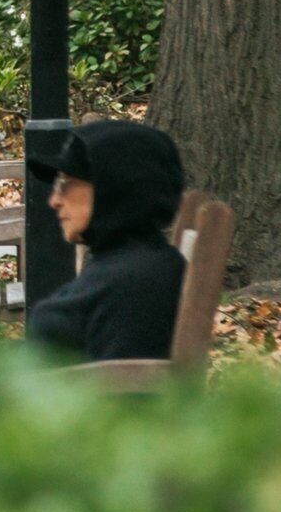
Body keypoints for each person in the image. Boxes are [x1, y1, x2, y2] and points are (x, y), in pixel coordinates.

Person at [27, 120, 189, 363]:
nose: (54, 200)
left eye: (65, 183)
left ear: (113, 186)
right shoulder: (121, 261)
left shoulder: (136, 280)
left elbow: (126, 390)